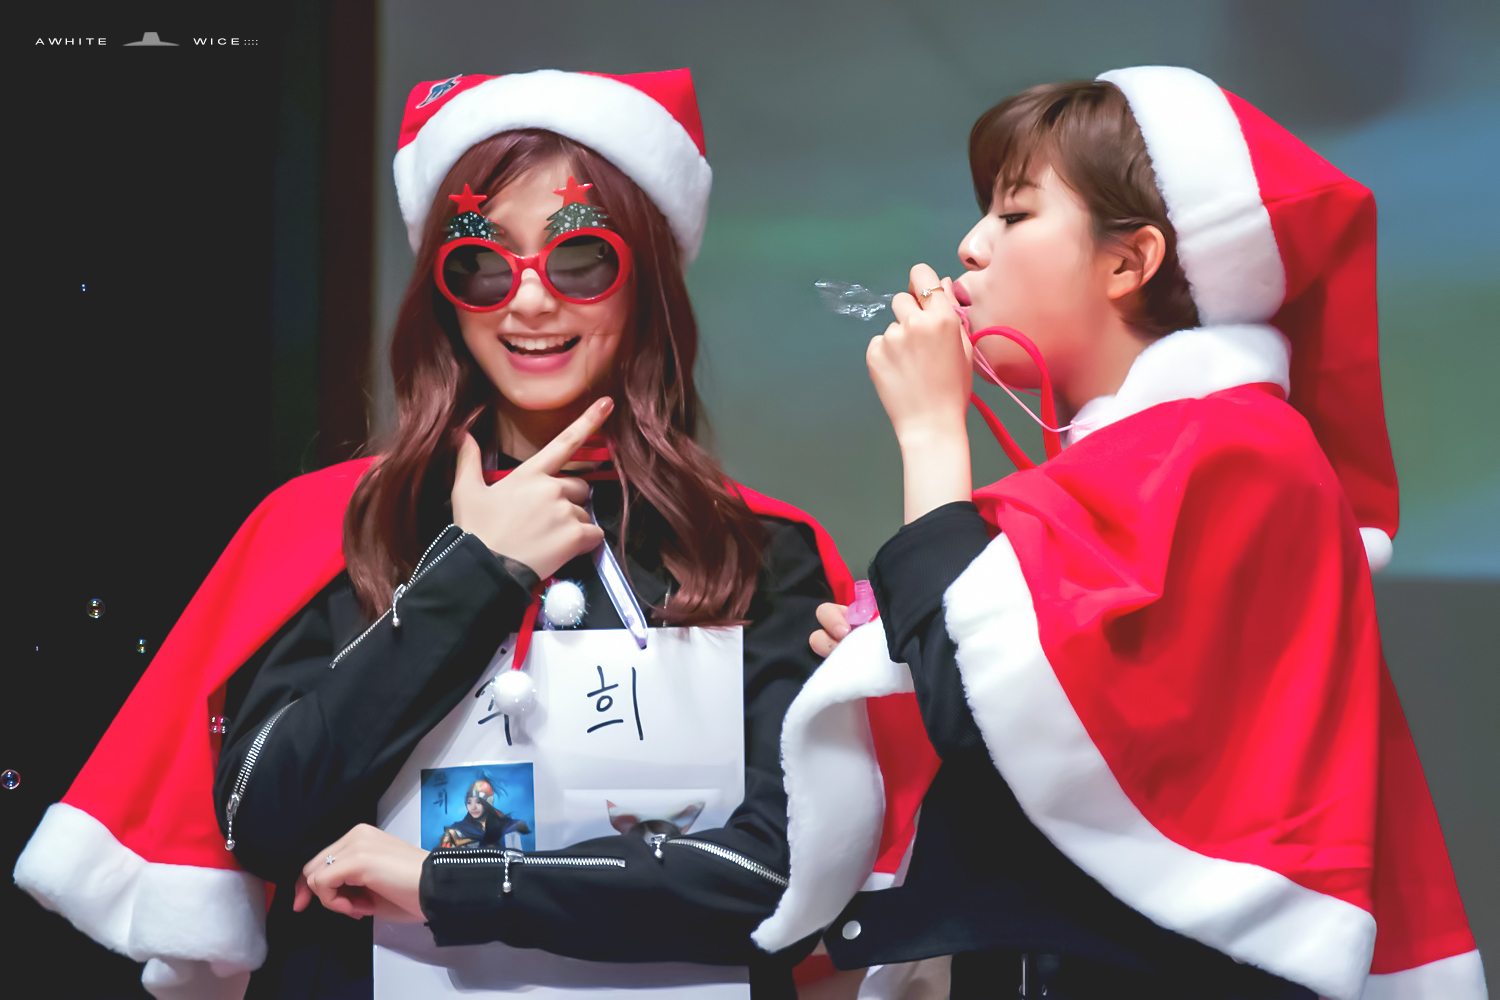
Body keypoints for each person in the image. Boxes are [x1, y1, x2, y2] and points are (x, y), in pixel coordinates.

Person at [15, 68, 853, 1000]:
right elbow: (264, 822)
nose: (529, 302)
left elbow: (779, 877)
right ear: (444, 294)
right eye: (483, 264)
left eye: (580, 257)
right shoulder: (338, 525)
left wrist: (449, 884)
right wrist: (478, 572)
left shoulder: (757, 547)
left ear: (647, 278)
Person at [750, 68, 1487, 999]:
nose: (970, 246)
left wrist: (932, 431)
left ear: (1128, 261)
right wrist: (898, 652)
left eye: (1014, 214)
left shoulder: (1238, 451)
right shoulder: (1131, 468)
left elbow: (986, 713)